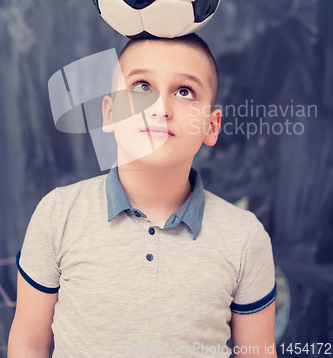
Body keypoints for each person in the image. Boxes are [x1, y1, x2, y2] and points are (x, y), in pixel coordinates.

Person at [8, 34, 277, 357]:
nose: (160, 108)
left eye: (184, 91)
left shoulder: (244, 238)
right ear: (108, 113)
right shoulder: (58, 214)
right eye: (141, 87)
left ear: (211, 125)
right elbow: (28, 345)